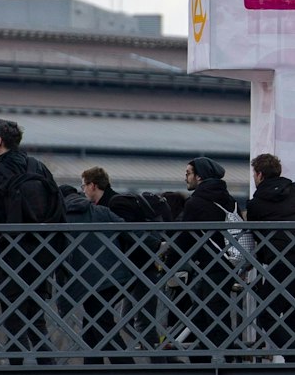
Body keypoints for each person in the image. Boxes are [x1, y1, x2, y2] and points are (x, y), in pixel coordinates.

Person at [0, 118, 63, 364]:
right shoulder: (38, 167)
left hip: (9, 257)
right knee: (36, 320)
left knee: (14, 321)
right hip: (41, 256)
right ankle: (50, 372)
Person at [248, 153, 295, 363]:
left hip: (280, 258)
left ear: (259, 174)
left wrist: (264, 258)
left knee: (266, 312)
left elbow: (257, 236)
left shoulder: (255, 204)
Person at [171, 156, 244, 360]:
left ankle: (227, 359)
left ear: (199, 176)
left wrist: (168, 263)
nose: (186, 178)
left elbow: (185, 239)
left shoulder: (195, 203)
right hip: (228, 263)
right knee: (207, 314)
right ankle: (208, 359)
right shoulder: (229, 199)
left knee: (211, 316)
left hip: (208, 266)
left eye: (188, 173)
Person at [84, 166, 161, 355]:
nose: (83, 190)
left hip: (136, 269)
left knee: (137, 320)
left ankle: (159, 361)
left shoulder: (115, 203)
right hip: (132, 270)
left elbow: (130, 235)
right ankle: (157, 355)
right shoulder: (110, 202)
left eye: (84, 185)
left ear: (93, 185)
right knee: (127, 319)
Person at [57, 183, 130, 363]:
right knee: (92, 322)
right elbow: (128, 229)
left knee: (101, 322)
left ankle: (126, 368)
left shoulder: (61, 218)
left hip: (87, 281)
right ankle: (92, 367)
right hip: (115, 275)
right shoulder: (101, 211)